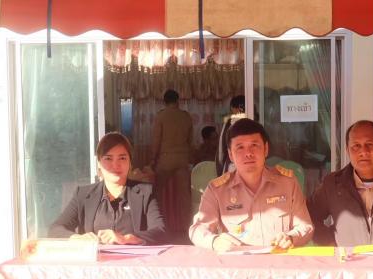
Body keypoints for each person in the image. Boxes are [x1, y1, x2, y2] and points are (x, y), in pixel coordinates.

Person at [190, 118, 313, 252]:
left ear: (266, 149)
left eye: (254, 145)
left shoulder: (288, 183)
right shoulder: (217, 190)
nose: (248, 153)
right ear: (230, 155)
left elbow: (305, 226)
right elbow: (197, 229)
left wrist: (291, 238)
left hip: (278, 260)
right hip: (239, 263)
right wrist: (215, 241)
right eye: (240, 147)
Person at [49, 132, 166, 245]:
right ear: (99, 163)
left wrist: (126, 239)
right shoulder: (83, 194)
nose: (115, 165)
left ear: (130, 162)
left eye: (122, 158)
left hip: (135, 258)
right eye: (108, 158)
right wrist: (77, 238)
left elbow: (161, 231)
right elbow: (55, 229)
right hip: (96, 258)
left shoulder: (146, 193)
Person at [151, 89, 194, 236]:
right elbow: (190, 141)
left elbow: (156, 140)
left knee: (156, 193)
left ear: (164, 101)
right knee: (185, 196)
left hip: (165, 159)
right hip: (182, 158)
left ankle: (158, 226)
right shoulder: (186, 117)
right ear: (177, 101)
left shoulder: (161, 116)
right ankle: (187, 227)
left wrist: (153, 159)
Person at [216, 95, 246, 176]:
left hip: (233, 164)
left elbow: (222, 149)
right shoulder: (257, 120)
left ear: (234, 108)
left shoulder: (230, 122)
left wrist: (220, 169)